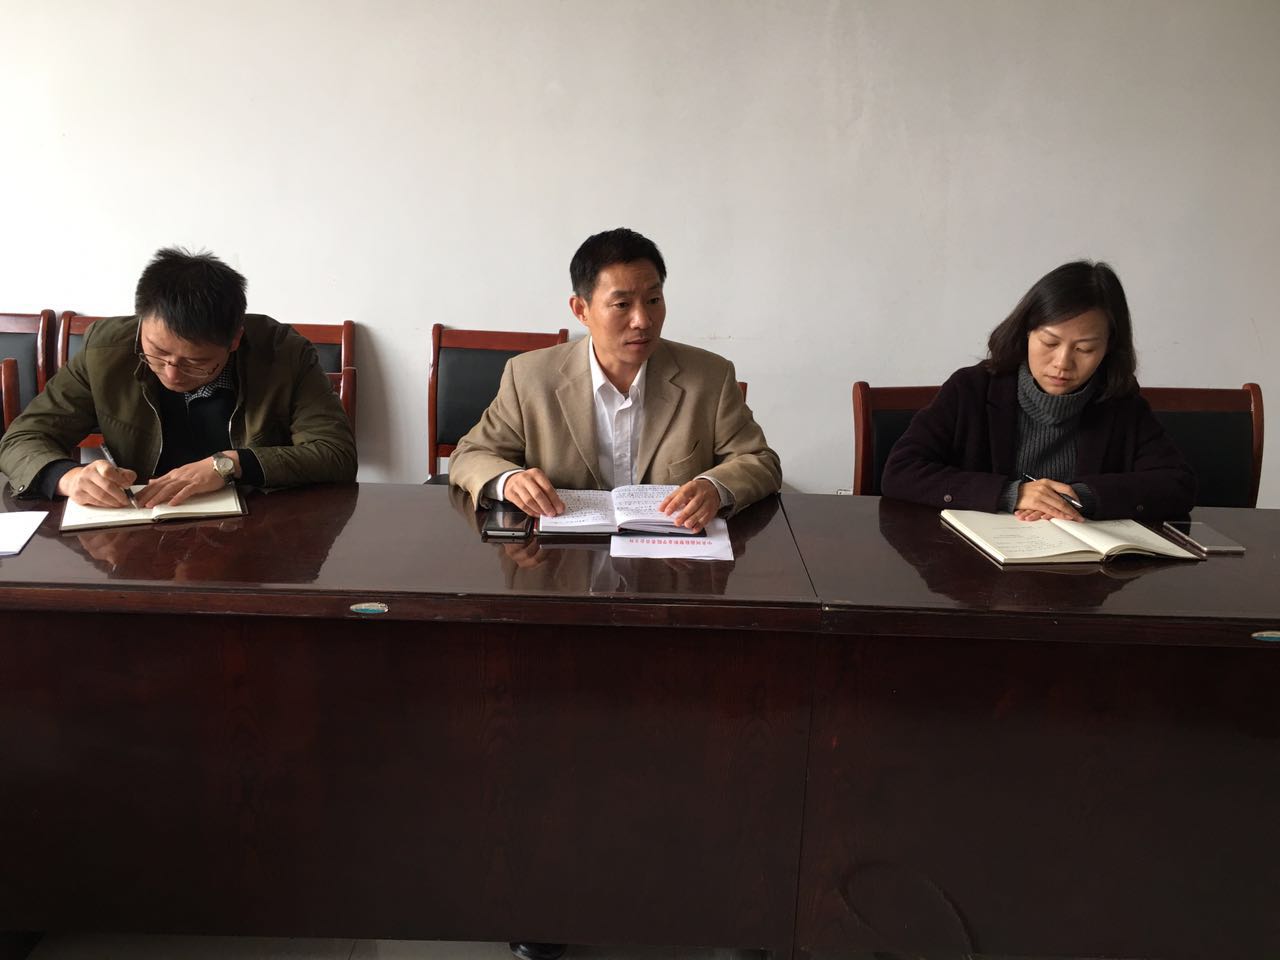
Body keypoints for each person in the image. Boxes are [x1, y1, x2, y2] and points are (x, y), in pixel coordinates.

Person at [449, 227, 781, 533]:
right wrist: (508, 480)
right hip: (565, 558)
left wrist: (715, 487)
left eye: (653, 300)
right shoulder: (529, 377)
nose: (643, 320)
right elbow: (469, 455)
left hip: (671, 556)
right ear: (581, 310)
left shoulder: (710, 376)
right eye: (622, 304)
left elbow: (760, 461)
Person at [0, 247, 357, 504]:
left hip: (256, 525)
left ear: (234, 340)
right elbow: (23, 438)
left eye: (195, 362)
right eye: (157, 352)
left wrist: (230, 464)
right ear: (141, 322)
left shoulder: (284, 353)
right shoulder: (104, 350)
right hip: (141, 526)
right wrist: (69, 477)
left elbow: (335, 454)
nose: (171, 373)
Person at [881, 260, 1195, 521]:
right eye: (1049, 342)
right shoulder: (971, 389)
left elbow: (1177, 485)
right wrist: (1011, 493)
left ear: (1109, 348)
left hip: (1085, 567)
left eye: (1085, 349)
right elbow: (901, 472)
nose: (1062, 363)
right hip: (979, 564)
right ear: (1026, 332)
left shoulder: (1120, 403)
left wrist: (1077, 497)